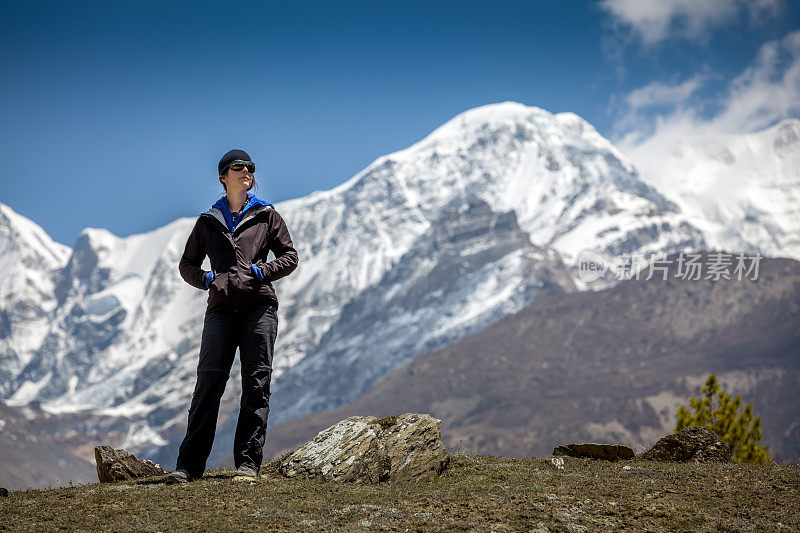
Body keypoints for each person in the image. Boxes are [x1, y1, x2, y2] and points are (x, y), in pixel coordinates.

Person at [167, 149, 298, 483]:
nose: (247, 171)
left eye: (250, 168)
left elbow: (290, 256)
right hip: (220, 310)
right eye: (239, 167)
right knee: (208, 384)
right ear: (223, 177)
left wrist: (261, 270)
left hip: (259, 308)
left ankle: (248, 465)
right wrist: (208, 279)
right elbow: (187, 264)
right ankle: (188, 468)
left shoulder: (267, 215)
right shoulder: (209, 221)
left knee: (256, 384)